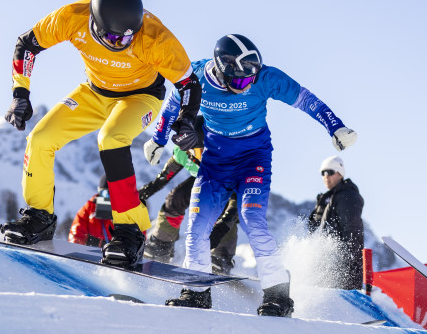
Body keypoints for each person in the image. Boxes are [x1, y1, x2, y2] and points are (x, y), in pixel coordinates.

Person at [144, 34, 357, 316]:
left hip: (253, 159)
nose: (248, 85)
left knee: (252, 218)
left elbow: (305, 99)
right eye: (242, 81)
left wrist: (336, 126)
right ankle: (196, 293)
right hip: (215, 163)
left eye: (251, 80)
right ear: (221, 69)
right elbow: (173, 106)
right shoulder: (195, 77)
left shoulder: (264, 77)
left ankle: (279, 296)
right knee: (197, 224)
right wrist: (158, 139)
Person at [0, 0, 202, 269]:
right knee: (41, 137)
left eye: (127, 40)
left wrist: (185, 120)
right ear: (94, 23)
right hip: (94, 93)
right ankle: (39, 217)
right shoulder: (72, 17)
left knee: (111, 137)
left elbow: (189, 84)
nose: (121, 44)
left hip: (141, 97)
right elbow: (27, 45)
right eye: (113, 38)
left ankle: (129, 233)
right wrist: (20, 94)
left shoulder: (155, 37)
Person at [139, 116, 239, 274]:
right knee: (175, 198)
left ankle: (221, 255)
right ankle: (161, 243)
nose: (204, 156)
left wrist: (223, 225)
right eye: (200, 151)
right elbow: (167, 174)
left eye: (207, 149)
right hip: (203, 181)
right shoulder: (183, 152)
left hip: (230, 188)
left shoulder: (224, 157)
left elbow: (237, 200)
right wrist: (149, 190)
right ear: (189, 148)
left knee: (224, 210)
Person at [308, 155, 364, 290]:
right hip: (325, 264)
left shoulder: (347, 196)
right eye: (323, 173)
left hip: (341, 268)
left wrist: (349, 270)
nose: (326, 176)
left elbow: (352, 233)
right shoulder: (327, 199)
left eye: (330, 172)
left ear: (339, 173)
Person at [68, 175, 114, 248]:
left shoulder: (123, 212)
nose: (108, 198)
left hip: (112, 256)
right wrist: (76, 250)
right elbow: (76, 234)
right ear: (99, 192)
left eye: (113, 194)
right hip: (89, 255)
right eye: (105, 193)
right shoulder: (89, 208)